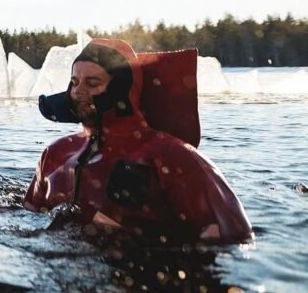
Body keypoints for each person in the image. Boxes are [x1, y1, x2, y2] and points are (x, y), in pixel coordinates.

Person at [24, 39, 252, 243]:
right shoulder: (55, 154)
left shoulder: (172, 157)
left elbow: (233, 235)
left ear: (124, 89)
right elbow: (27, 215)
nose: (78, 91)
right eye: (74, 82)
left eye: (92, 83)